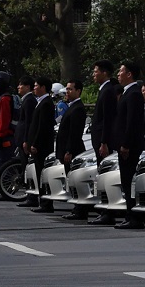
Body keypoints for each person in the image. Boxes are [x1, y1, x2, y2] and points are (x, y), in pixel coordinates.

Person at [112, 62, 145, 229]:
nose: (118, 74)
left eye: (121, 71)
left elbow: (132, 122)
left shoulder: (134, 93)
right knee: (126, 182)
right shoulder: (128, 92)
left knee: (129, 181)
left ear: (129, 74)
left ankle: (134, 216)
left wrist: (126, 144)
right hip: (125, 145)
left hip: (130, 147)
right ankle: (129, 214)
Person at [57, 80, 89, 220]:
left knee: (75, 180)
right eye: (67, 89)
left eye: (70, 89)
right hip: (66, 148)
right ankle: (77, 207)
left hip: (73, 150)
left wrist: (69, 151)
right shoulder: (71, 106)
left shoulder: (78, 108)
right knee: (71, 179)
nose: (67, 92)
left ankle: (80, 209)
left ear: (78, 91)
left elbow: (74, 133)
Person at [27, 77, 57, 214]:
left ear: (43, 87)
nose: (34, 88)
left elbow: (42, 127)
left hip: (42, 145)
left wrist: (35, 143)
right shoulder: (41, 102)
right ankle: (43, 200)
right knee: (39, 173)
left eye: (36, 86)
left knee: (43, 174)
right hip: (38, 144)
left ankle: (46, 203)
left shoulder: (46, 103)